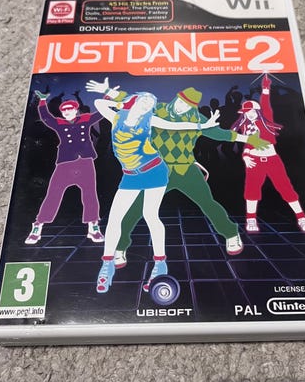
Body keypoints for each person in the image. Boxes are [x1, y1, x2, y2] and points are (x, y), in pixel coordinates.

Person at [86, 78, 270, 262]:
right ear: (176, 98)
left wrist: (249, 139)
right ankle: (120, 247)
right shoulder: (157, 110)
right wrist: (109, 91)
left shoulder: (197, 118)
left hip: (186, 169)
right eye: (181, 102)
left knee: (208, 203)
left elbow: (219, 133)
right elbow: (135, 101)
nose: (183, 107)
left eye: (188, 106)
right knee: (136, 209)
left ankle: (231, 233)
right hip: (157, 169)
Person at [93, 92, 220, 293]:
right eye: (145, 100)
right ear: (135, 100)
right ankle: (107, 264)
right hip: (130, 176)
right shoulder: (117, 116)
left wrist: (202, 126)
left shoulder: (149, 120)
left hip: (154, 170)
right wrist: (122, 103)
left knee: (150, 215)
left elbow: (174, 126)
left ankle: (160, 263)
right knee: (115, 218)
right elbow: (98, 103)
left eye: (151, 103)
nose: (147, 105)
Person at [232, 74, 305, 233]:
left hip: (272, 159)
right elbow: (248, 144)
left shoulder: (266, 120)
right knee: (251, 189)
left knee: (285, 187)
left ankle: (301, 217)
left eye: (250, 111)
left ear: (257, 110)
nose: (248, 114)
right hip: (254, 160)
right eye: (246, 112)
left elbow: (266, 105)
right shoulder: (245, 125)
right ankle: (251, 219)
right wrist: (246, 156)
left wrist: (265, 89)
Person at [25, 90, 104, 244]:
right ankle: (38, 226)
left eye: (70, 109)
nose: (67, 111)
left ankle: (93, 226)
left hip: (85, 161)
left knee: (90, 193)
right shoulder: (59, 123)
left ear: (76, 110)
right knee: (53, 193)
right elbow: (46, 117)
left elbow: (100, 114)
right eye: (64, 110)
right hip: (65, 162)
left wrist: (108, 96)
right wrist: (42, 101)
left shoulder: (85, 120)